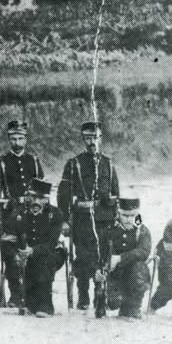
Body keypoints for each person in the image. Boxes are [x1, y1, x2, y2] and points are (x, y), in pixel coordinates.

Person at [57, 121, 120, 310]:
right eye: (88, 138)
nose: (92, 142)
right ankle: (83, 294)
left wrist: (116, 215)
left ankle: (99, 293)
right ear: (83, 139)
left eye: (95, 138)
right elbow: (63, 195)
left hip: (104, 219)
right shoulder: (73, 164)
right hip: (82, 220)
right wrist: (65, 220)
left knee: (102, 256)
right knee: (84, 257)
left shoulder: (108, 164)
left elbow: (116, 193)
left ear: (101, 138)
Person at [0, 120, 44, 308]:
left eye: (20, 138)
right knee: (10, 254)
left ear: (26, 139)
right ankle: (15, 294)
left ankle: (32, 292)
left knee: (31, 251)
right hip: (9, 216)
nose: (17, 142)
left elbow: (43, 191)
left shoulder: (34, 162)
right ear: (8, 139)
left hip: (32, 214)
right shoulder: (1, 164)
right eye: (13, 138)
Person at [4, 179, 65, 317]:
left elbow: (51, 243)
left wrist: (32, 251)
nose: (36, 201)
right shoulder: (18, 213)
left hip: (50, 253)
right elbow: (9, 240)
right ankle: (22, 299)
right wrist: (16, 255)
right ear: (28, 196)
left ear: (47, 199)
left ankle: (46, 306)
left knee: (45, 261)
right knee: (12, 262)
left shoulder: (55, 214)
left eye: (41, 198)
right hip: (22, 254)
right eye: (33, 197)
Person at [95, 197, 150, 320]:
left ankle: (132, 308)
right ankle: (105, 300)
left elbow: (144, 252)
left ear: (137, 214)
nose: (128, 219)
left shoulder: (142, 231)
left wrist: (120, 258)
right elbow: (99, 252)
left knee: (140, 268)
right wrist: (97, 270)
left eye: (132, 215)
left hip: (133, 274)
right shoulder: (109, 230)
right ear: (118, 213)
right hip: (113, 274)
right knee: (113, 302)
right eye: (125, 215)